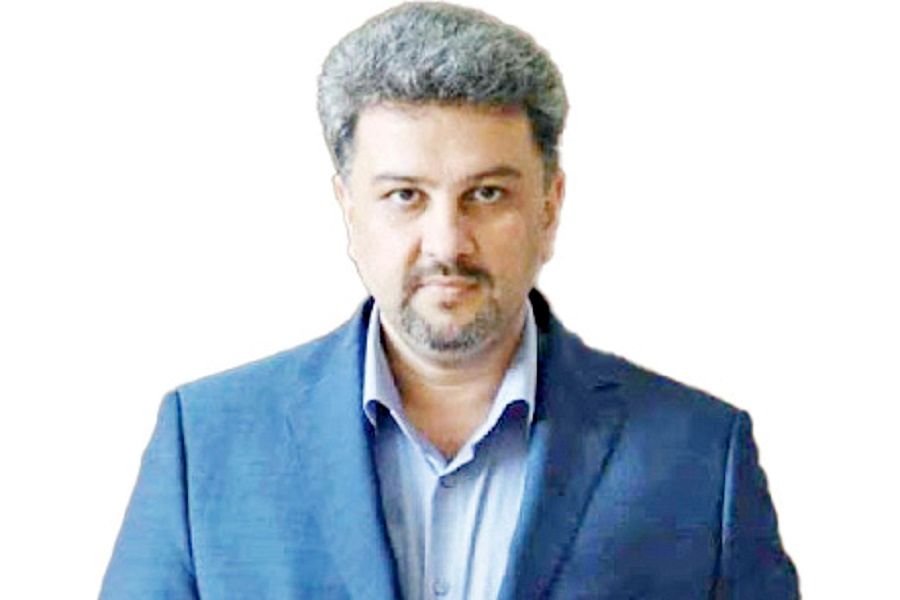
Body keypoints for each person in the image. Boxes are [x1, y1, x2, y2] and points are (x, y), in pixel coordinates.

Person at [101, 2, 798, 598]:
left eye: (486, 194)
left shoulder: (700, 456)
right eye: (405, 195)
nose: (447, 243)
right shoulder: (207, 444)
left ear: (549, 205)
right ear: (349, 208)